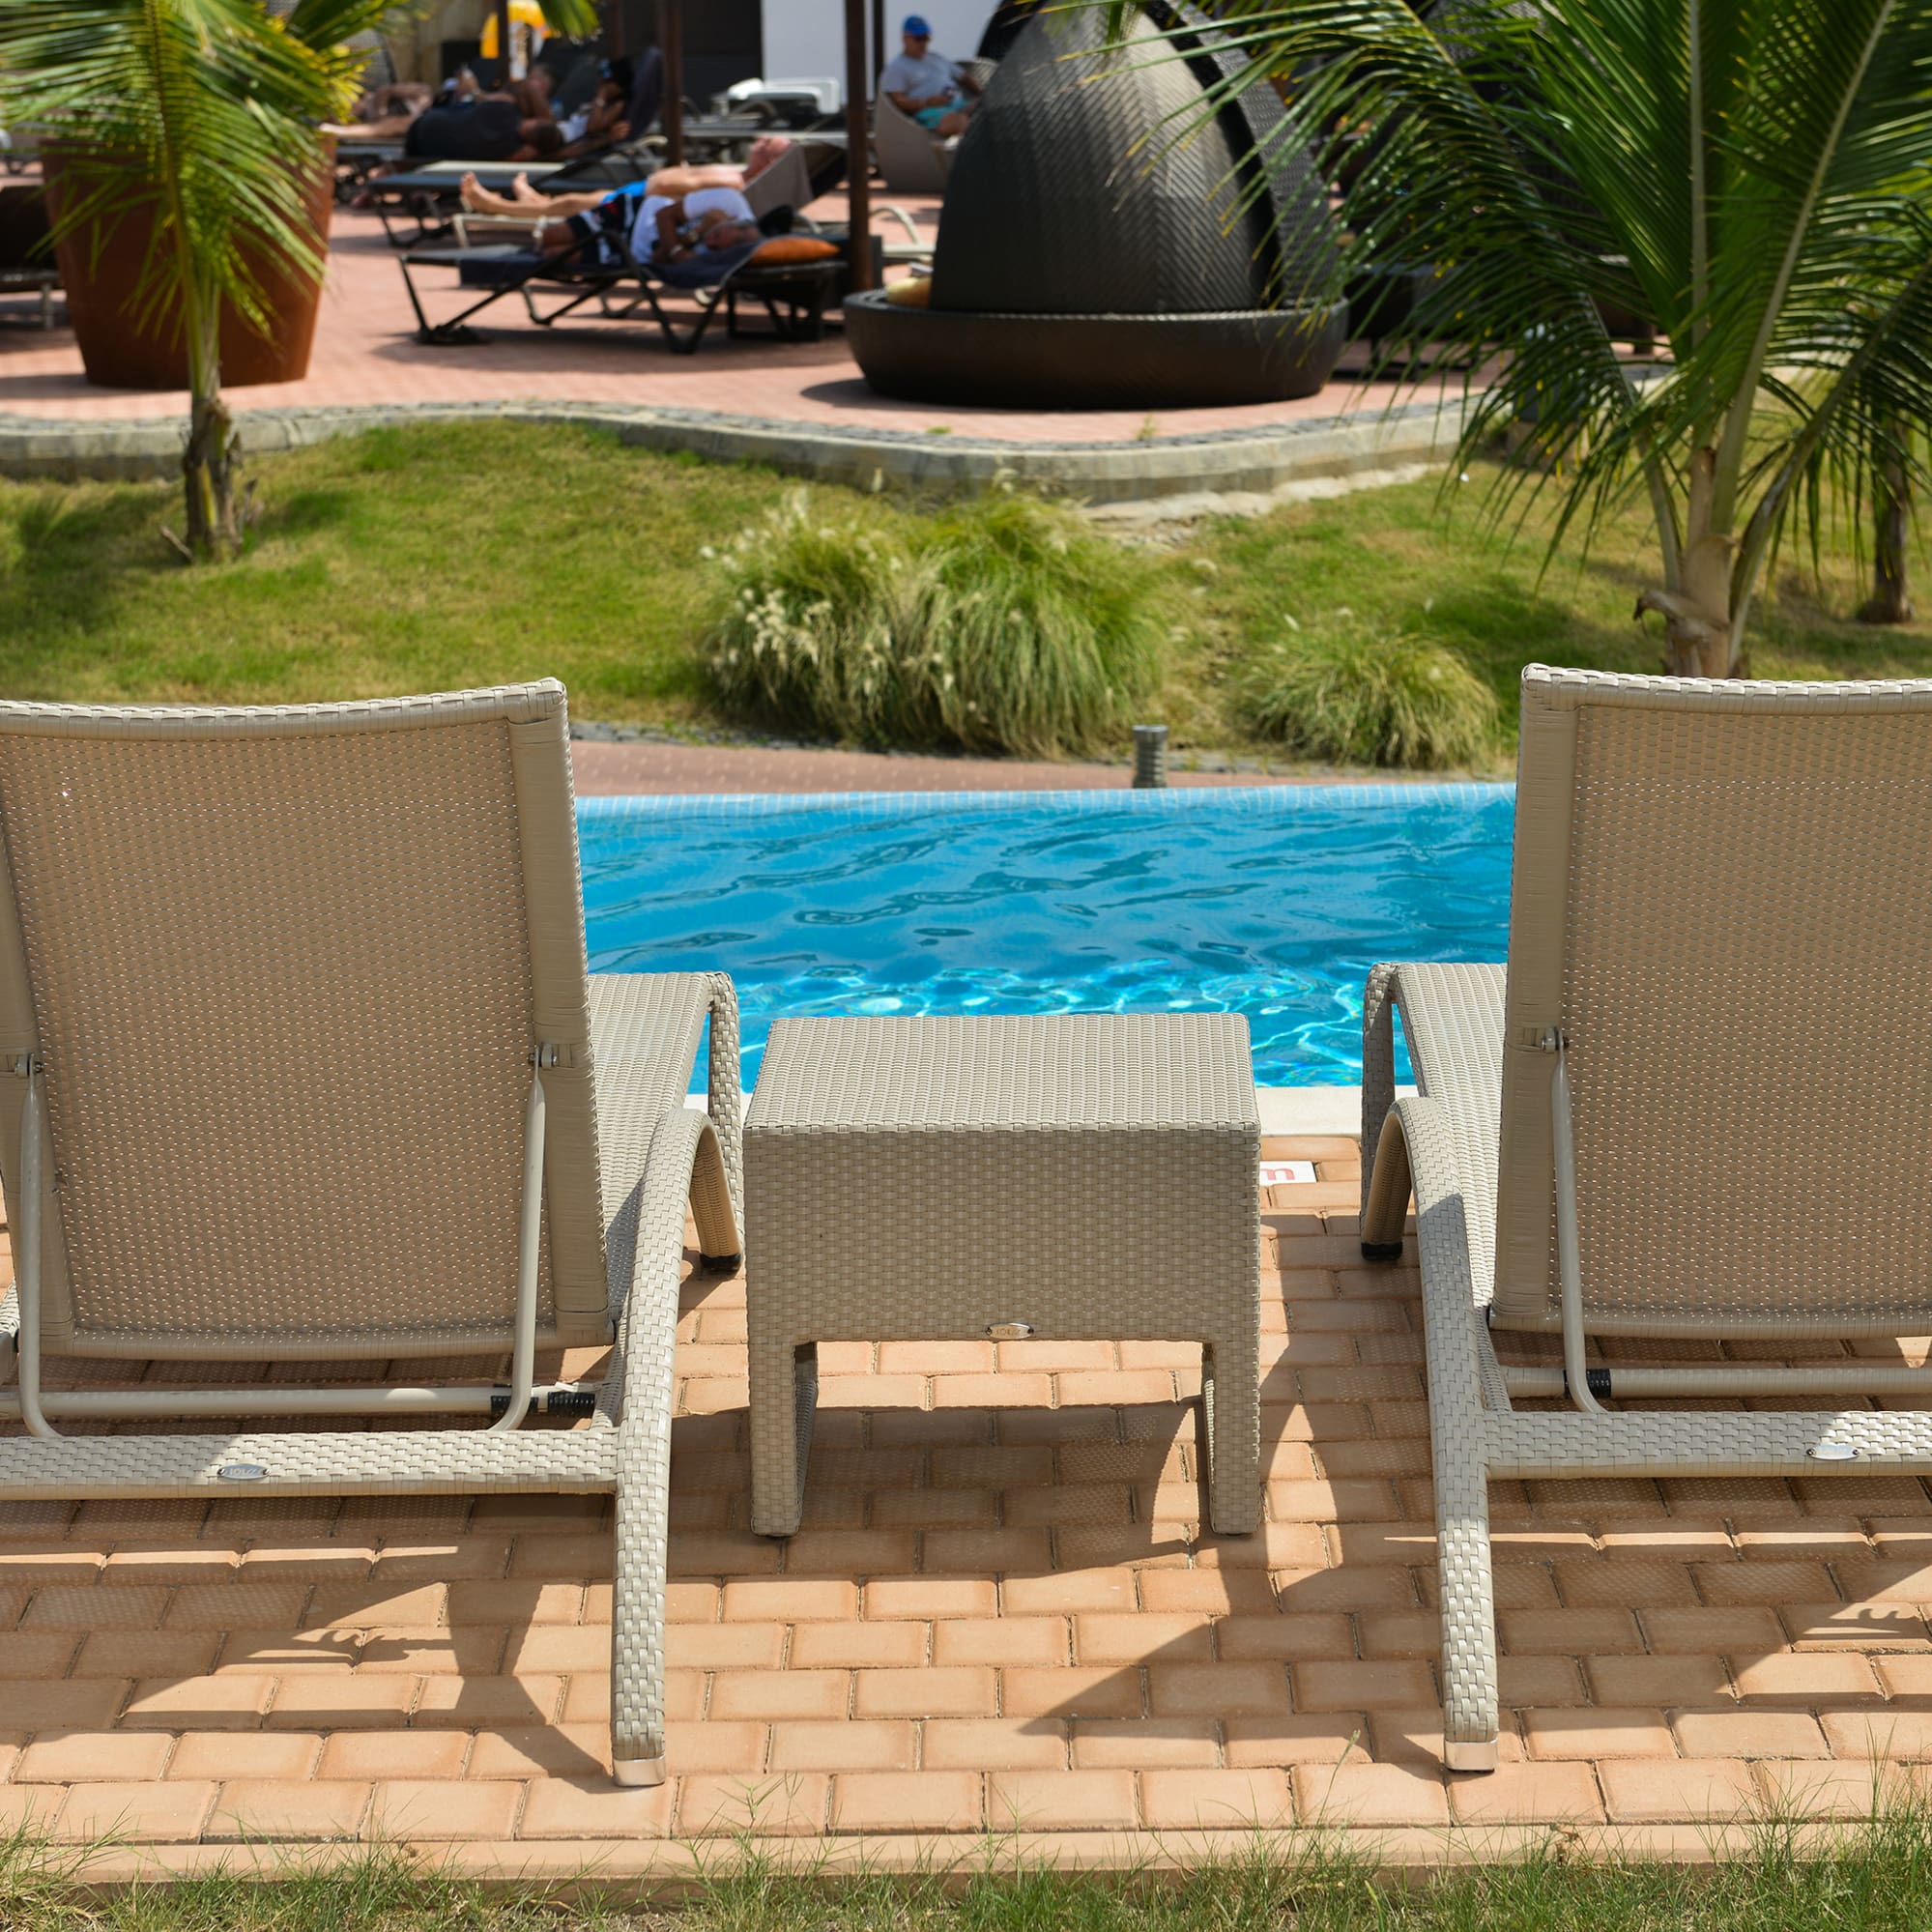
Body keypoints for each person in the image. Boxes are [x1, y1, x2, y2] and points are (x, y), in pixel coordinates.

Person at [456, 134, 792, 222]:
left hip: (647, 205)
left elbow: (688, 197)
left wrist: (663, 183)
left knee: (572, 204)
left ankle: (493, 205)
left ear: (769, 161)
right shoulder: (737, 170)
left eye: (765, 145)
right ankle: (534, 201)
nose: (757, 143)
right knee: (574, 202)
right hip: (644, 192)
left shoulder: (737, 185)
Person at [879, 14, 981, 136]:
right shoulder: (896, 67)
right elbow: (898, 100)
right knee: (959, 121)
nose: (923, 43)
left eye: (926, 38)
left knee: (987, 107)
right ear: (905, 38)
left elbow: (964, 76)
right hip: (930, 112)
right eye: (919, 38)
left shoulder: (936, 58)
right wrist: (926, 103)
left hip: (957, 104)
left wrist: (982, 93)